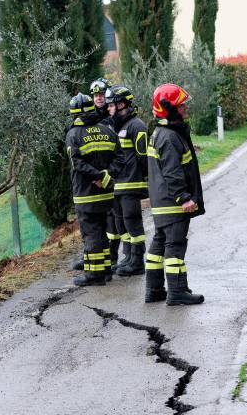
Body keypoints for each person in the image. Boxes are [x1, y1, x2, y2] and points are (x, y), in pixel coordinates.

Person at [144, 83, 205, 305]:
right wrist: (184, 197)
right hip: (173, 202)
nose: (185, 108)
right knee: (175, 244)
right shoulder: (169, 136)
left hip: (162, 201)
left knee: (160, 243)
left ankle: (154, 289)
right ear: (169, 108)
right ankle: (177, 291)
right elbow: (172, 171)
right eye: (181, 105)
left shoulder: (160, 133)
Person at [66, 93, 125, 286]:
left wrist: (97, 176)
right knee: (102, 230)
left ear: (74, 114)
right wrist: (107, 176)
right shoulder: (107, 130)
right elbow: (120, 159)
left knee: (91, 233)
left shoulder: (73, 134)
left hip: (85, 194)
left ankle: (94, 275)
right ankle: (105, 270)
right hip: (106, 192)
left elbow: (77, 164)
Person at [105, 85, 149, 277]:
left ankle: (138, 261)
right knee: (121, 222)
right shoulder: (118, 126)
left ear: (122, 104)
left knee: (132, 221)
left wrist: (146, 181)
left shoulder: (136, 126)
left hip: (131, 183)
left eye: (111, 105)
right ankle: (128, 257)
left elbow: (143, 157)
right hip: (117, 184)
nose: (108, 109)